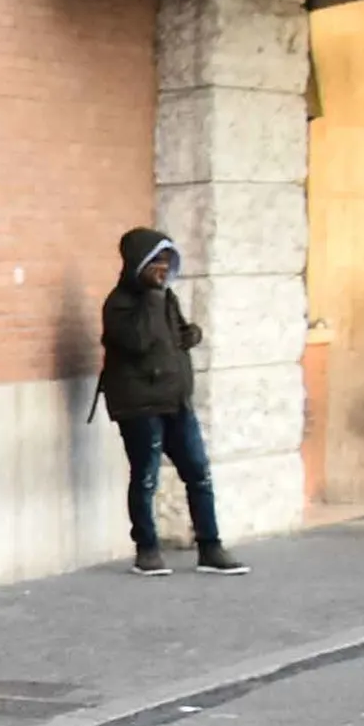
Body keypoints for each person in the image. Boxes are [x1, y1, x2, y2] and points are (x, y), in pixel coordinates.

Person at [100, 229, 245, 576]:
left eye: (167, 262)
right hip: (140, 406)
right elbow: (137, 341)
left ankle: (210, 547)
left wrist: (190, 334)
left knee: (199, 473)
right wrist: (151, 297)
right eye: (155, 262)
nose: (163, 269)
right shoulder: (119, 303)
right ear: (139, 264)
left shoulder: (167, 299)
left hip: (175, 400)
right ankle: (146, 549)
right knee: (146, 477)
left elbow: (174, 335)